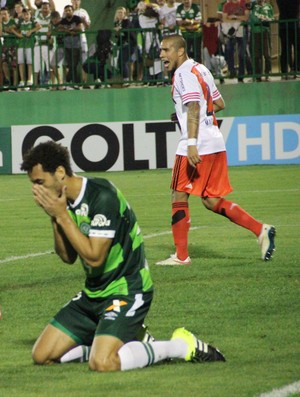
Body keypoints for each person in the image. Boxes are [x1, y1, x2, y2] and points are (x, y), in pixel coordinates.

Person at [20, 140, 225, 371]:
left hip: (127, 290)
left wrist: (62, 215)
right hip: (93, 294)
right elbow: (67, 257)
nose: (36, 190)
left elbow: (94, 258)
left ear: (59, 173)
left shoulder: (102, 196)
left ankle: (180, 346)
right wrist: (55, 216)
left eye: (40, 182)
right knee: (41, 355)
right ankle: (126, 343)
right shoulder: (64, 203)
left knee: (103, 363)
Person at [156, 34, 276, 266]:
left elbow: (193, 106)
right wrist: (182, 115)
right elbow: (218, 104)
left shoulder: (182, 74)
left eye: (166, 50)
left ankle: (181, 256)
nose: (162, 55)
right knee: (210, 200)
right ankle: (261, 230)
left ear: (180, 51)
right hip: (215, 141)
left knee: (178, 194)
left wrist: (191, 142)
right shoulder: (201, 69)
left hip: (197, 142)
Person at [222, 0, 250, 82]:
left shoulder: (244, 3)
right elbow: (225, 19)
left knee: (242, 53)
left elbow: (245, 18)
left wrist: (234, 17)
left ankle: (241, 74)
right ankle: (232, 71)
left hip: (242, 31)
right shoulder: (227, 5)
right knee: (229, 50)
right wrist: (237, 20)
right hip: (231, 31)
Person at [15, 7, 40, 88]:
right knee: (21, 62)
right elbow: (12, 29)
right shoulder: (20, 22)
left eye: (28, 14)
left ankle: (29, 80)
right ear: (22, 15)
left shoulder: (33, 21)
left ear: (30, 15)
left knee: (29, 62)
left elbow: (39, 26)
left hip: (29, 45)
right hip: (21, 45)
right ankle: (22, 80)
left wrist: (31, 31)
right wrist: (17, 34)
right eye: (24, 14)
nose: (26, 16)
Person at [249, 0, 274, 82]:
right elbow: (253, 18)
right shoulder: (254, 6)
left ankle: (267, 73)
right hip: (255, 32)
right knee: (256, 55)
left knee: (267, 54)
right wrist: (260, 19)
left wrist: (265, 19)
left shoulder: (268, 6)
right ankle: (258, 75)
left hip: (265, 31)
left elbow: (271, 18)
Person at [58, 4, 83, 86]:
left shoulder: (77, 18)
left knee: (74, 64)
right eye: (66, 11)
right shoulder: (63, 20)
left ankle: (71, 81)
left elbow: (80, 27)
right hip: (67, 45)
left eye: (69, 10)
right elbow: (60, 28)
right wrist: (69, 31)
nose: (68, 12)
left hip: (76, 45)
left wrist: (73, 29)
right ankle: (71, 82)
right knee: (69, 64)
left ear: (72, 11)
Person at [276, 0, 300, 79]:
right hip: (291, 25)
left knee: (287, 49)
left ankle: (288, 70)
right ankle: (292, 69)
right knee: (288, 49)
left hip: (289, 25)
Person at [71, 0, 91, 86]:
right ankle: (73, 82)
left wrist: (84, 21)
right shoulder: (68, 11)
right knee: (72, 61)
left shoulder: (83, 12)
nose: (75, 2)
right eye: (74, 0)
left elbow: (88, 26)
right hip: (71, 39)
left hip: (82, 38)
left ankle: (84, 81)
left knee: (84, 60)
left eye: (77, 0)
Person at [113, 6, 134, 87]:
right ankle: (125, 79)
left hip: (129, 44)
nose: (120, 14)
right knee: (120, 62)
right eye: (119, 12)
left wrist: (120, 29)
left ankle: (127, 79)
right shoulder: (117, 22)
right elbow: (117, 35)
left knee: (123, 61)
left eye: (122, 12)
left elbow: (126, 29)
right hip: (122, 45)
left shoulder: (127, 21)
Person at [33, 1, 52, 87]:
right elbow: (36, 26)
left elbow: (53, 29)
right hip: (38, 44)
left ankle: (50, 83)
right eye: (43, 8)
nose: (45, 10)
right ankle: (36, 84)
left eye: (46, 8)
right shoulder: (37, 17)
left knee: (50, 65)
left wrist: (50, 32)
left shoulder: (52, 18)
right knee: (36, 65)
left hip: (48, 45)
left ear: (49, 8)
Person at [0, 6, 19, 88]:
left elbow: (12, 29)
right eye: (1, 14)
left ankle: (15, 85)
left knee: (14, 65)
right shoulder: (1, 23)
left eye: (5, 14)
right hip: (5, 45)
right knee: (4, 63)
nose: (3, 15)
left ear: (8, 14)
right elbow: (0, 34)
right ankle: (8, 81)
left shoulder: (12, 21)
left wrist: (7, 29)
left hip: (13, 45)